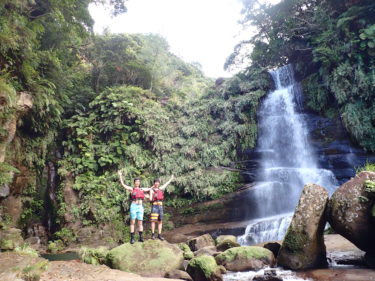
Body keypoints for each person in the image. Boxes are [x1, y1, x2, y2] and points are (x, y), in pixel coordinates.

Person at [118, 170, 150, 244]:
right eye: (136, 182)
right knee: (132, 222)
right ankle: (132, 238)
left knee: (140, 222)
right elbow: (123, 185)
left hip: (140, 207)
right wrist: (120, 176)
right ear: (134, 182)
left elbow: (150, 188)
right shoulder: (131, 189)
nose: (137, 183)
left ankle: (140, 237)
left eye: (138, 182)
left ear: (139, 183)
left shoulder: (142, 189)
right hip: (134, 206)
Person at [150, 175, 174, 240]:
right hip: (154, 206)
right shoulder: (151, 190)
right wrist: (153, 196)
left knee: (160, 221)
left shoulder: (160, 189)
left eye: (158, 182)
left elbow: (166, 184)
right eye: (155, 182)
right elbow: (150, 199)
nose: (157, 183)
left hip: (160, 206)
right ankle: (152, 235)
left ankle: (159, 235)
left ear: (159, 183)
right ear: (154, 183)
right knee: (153, 221)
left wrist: (171, 179)